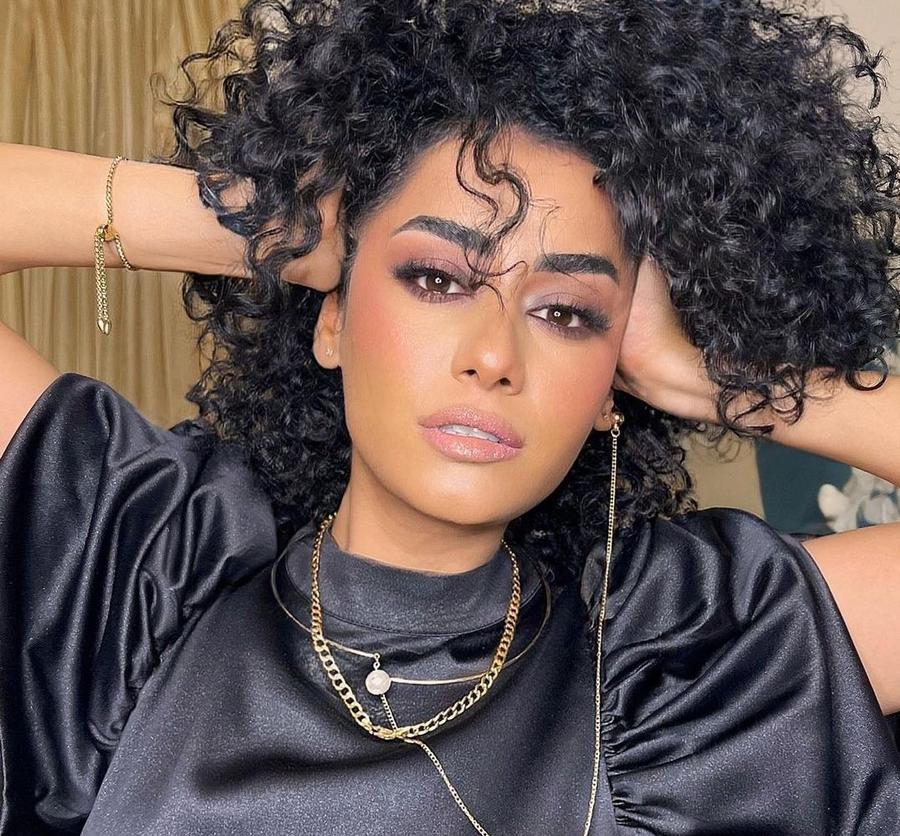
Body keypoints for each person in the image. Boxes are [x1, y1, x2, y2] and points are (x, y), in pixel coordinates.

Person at [1, 0, 899, 833]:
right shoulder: (146, 574)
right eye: (436, 277)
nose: (495, 355)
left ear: (612, 386)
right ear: (332, 318)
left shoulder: (686, 657)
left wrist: (718, 380)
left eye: (566, 313)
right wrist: (267, 228)